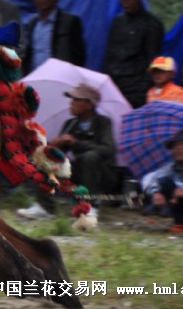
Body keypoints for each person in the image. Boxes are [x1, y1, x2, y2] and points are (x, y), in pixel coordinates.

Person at [17, 83, 117, 219]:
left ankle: (90, 206)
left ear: (89, 104)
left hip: (101, 174)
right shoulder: (70, 124)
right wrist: (53, 145)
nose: (71, 103)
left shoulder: (103, 122)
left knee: (90, 157)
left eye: (76, 100)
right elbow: (58, 155)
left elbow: (107, 150)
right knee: (44, 158)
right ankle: (45, 208)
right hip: (79, 172)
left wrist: (75, 143)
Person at [103, 0, 164, 109]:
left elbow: (153, 64)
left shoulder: (152, 24)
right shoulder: (117, 22)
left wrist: (140, 95)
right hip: (113, 90)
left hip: (137, 95)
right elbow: (110, 59)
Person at [20, 0, 86, 74]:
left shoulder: (70, 22)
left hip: (60, 78)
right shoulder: (33, 23)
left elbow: (79, 57)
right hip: (35, 79)